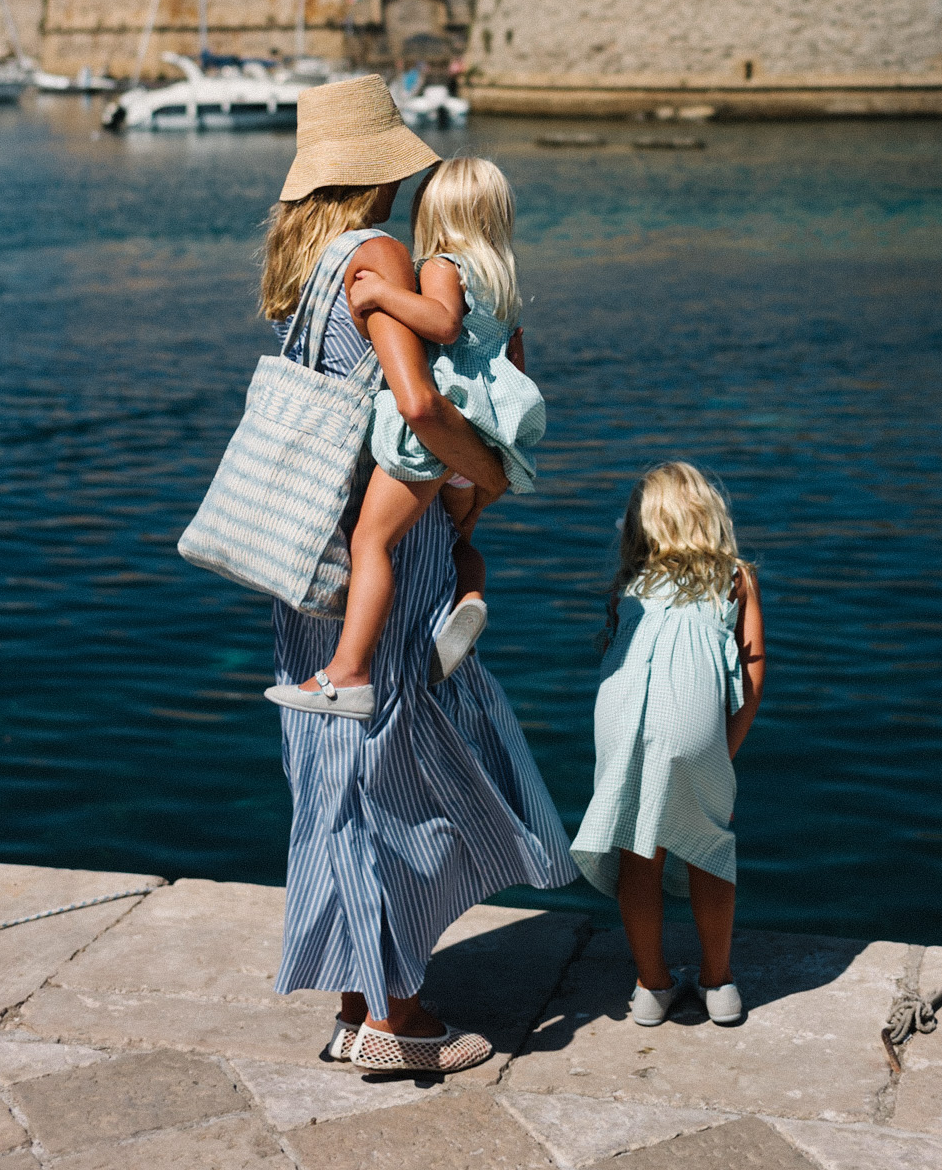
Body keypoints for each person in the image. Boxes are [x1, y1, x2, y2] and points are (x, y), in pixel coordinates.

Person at [259, 75, 577, 1077]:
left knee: (335, 776)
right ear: (378, 169)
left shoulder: (302, 267)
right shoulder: (384, 255)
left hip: (305, 558)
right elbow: (416, 401)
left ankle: (360, 1003)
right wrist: (492, 472)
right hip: (390, 560)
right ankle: (400, 1018)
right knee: (398, 771)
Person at [267, 156, 543, 718]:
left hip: (432, 435)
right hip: (481, 435)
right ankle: (468, 599)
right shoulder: (501, 280)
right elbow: (515, 361)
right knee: (459, 537)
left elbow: (440, 327)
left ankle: (349, 672)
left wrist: (382, 297)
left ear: (432, 210)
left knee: (371, 543)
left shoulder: (442, 265)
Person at [570, 461, 766, 1028]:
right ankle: (718, 984)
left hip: (619, 716)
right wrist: (722, 752)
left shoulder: (631, 584)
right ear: (709, 515)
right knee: (708, 847)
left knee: (639, 848)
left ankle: (652, 988)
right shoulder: (735, 577)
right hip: (694, 726)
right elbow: (751, 673)